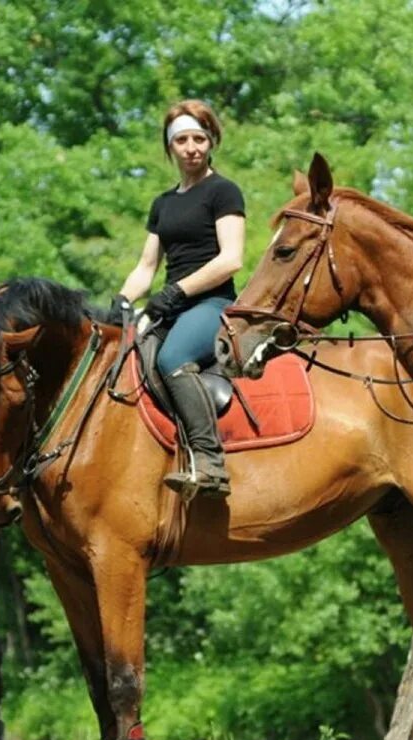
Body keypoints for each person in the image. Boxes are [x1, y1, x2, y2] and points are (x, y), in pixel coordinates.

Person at [112, 99, 245, 497]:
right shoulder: (164, 203)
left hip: (213, 306)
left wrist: (176, 291)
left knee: (171, 360)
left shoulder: (223, 191)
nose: (192, 147)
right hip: (170, 308)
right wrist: (121, 300)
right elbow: (146, 266)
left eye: (200, 138)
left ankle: (209, 463)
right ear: (170, 147)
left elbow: (231, 259)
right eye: (182, 140)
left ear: (212, 141)